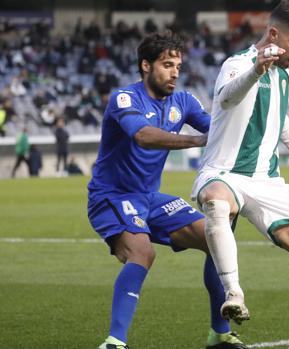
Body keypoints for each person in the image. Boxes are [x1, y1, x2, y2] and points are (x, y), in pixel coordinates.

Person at [87, 31, 247, 349]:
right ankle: (114, 342)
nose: (174, 72)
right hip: (112, 197)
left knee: (217, 238)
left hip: (150, 198)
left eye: (178, 65)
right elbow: (144, 136)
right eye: (166, 64)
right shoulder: (124, 99)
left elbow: (218, 127)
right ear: (146, 66)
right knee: (142, 253)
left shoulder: (183, 101)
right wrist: (198, 141)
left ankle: (219, 334)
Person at [191, 2, 289, 348]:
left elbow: (280, 116)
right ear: (273, 34)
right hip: (223, 172)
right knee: (215, 202)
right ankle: (234, 293)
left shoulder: (287, 75)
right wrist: (256, 70)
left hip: (267, 180)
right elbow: (225, 100)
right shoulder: (237, 64)